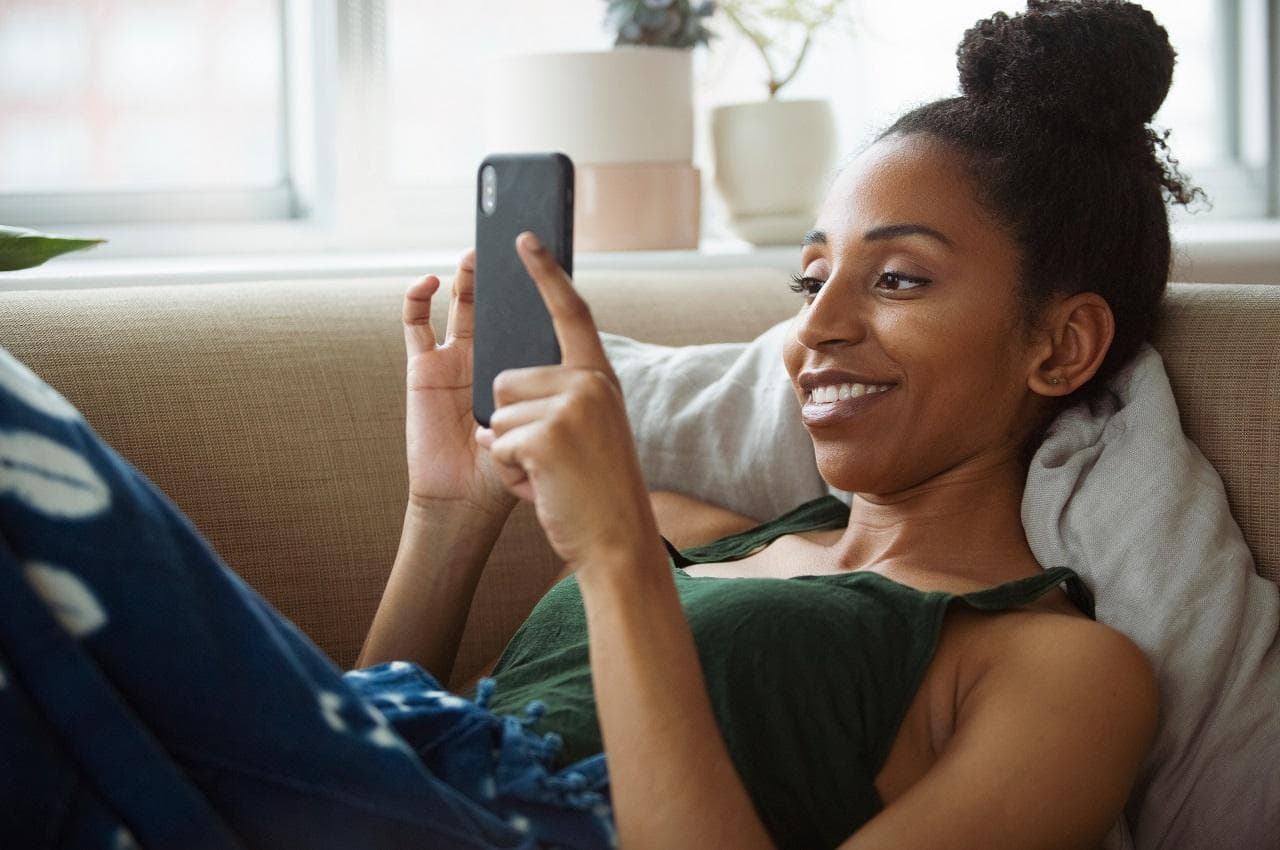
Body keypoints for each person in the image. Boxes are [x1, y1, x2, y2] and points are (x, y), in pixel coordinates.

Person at [0, 1, 1195, 848]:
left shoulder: (1061, 671)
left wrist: (620, 554)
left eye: (895, 281)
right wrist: (448, 511)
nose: (812, 331)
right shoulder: (715, 534)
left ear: (1060, 344)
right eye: (809, 279)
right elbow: (362, 736)